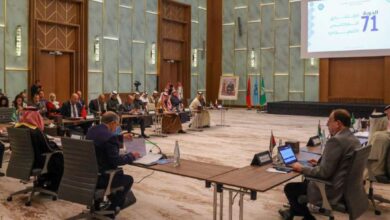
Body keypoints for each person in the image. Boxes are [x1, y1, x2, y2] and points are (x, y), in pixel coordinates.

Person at [280, 109, 361, 220]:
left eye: (329, 121)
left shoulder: (336, 141)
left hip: (331, 189)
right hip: (347, 188)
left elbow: (324, 172)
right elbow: (341, 163)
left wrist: (301, 168)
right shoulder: (353, 139)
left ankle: (308, 218)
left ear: (338, 124)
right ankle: (291, 213)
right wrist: (320, 162)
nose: (327, 124)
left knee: (290, 188)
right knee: (305, 182)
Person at [86, 111, 140, 217]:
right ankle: (112, 209)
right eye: (117, 124)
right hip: (101, 177)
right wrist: (132, 156)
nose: (118, 126)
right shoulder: (110, 137)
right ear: (112, 123)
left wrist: (121, 138)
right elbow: (116, 161)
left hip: (88, 175)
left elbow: (102, 140)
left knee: (119, 174)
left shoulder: (91, 130)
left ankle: (98, 205)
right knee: (128, 179)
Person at [15, 109, 63, 191]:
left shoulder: (17, 127)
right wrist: (56, 145)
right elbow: (48, 147)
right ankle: (53, 187)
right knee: (58, 157)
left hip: (20, 161)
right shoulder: (35, 130)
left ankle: (41, 182)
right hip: (36, 162)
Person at [367, 112, 390, 177]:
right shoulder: (386, 134)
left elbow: (369, 157)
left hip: (375, 173)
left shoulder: (377, 136)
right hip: (383, 170)